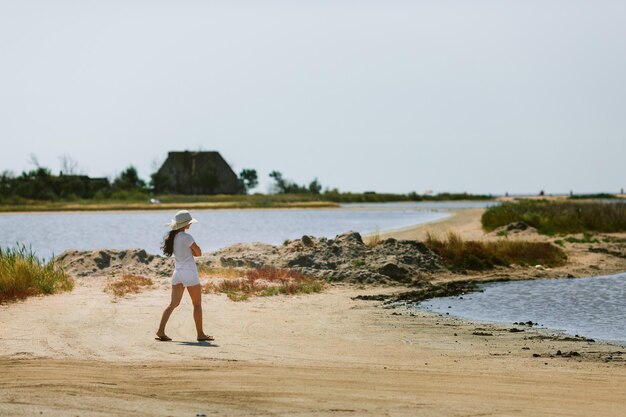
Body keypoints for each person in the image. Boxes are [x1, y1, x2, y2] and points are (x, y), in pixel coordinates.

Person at [156, 210, 214, 342]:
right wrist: (192, 252)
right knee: (197, 304)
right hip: (189, 272)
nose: (191, 224)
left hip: (178, 273)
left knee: (173, 304)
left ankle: (160, 330)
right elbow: (198, 253)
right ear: (185, 224)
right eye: (189, 222)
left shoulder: (174, 238)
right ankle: (200, 334)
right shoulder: (187, 237)